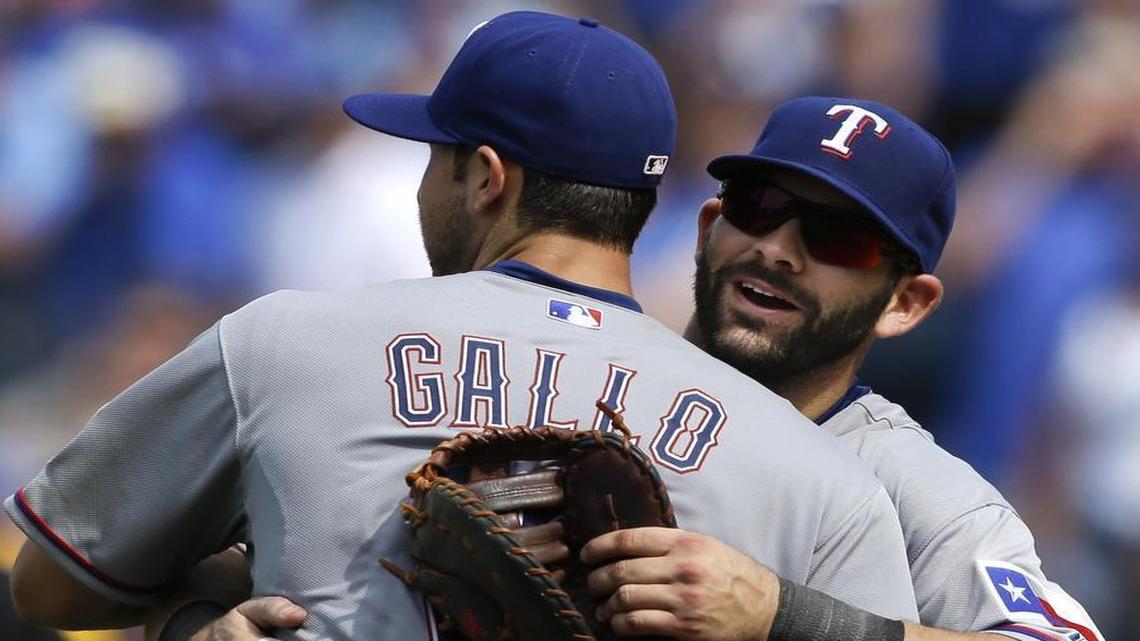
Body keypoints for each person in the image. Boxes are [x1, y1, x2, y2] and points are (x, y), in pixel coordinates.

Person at [3, 13, 918, 641]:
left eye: (433, 157)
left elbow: (50, 584)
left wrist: (202, 605)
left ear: (486, 178)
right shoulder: (818, 472)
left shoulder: (282, 346)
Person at [672, 96, 1102, 640]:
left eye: (838, 237)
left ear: (904, 303)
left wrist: (785, 620)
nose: (777, 249)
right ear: (709, 226)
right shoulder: (588, 369)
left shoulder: (916, 489)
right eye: (758, 206)